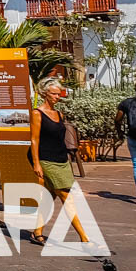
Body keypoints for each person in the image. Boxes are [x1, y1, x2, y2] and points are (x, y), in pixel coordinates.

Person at [29, 77, 89, 245]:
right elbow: (34, 140)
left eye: (59, 94)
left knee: (49, 196)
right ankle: (84, 238)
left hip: (61, 159)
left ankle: (37, 231)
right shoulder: (37, 113)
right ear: (45, 94)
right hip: (46, 160)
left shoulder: (59, 114)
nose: (58, 97)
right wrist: (36, 163)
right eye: (55, 93)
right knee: (66, 196)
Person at [114, 78, 136, 205]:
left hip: (134, 138)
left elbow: (118, 119)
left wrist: (120, 133)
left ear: (135, 89)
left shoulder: (127, 103)